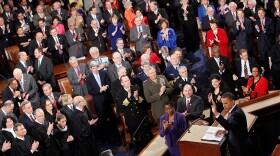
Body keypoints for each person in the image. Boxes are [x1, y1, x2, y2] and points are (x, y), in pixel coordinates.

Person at [116, 75, 153, 154]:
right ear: (122, 83)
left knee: (145, 136)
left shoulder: (135, 87)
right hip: (131, 119)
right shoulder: (119, 93)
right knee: (135, 139)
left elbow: (143, 101)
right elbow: (122, 108)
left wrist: (136, 98)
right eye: (125, 81)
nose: (128, 82)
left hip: (141, 116)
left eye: (128, 80)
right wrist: (129, 98)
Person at [254, 8, 275, 78]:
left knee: (272, 61)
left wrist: (265, 30)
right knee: (264, 62)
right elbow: (254, 34)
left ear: (264, 13)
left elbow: (273, 32)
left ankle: (273, 76)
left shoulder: (270, 21)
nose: (260, 14)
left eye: (262, 13)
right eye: (259, 13)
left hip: (270, 45)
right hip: (261, 45)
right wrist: (257, 29)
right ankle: (266, 77)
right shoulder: (256, 22)